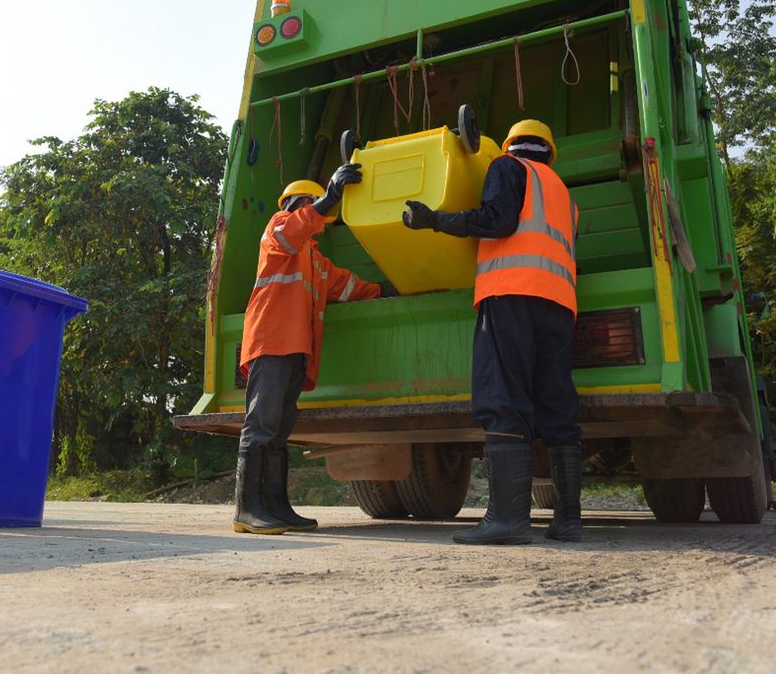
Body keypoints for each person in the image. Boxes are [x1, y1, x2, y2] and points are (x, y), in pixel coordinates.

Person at [402, 119, 583, 545]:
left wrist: (435, 219)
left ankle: (508, 519)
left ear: (512, 146)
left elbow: (497, 221)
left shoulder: (507, 167)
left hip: (510, 294)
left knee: (502, 396)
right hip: (558, 303)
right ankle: (569, 520)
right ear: (548, 149)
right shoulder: (563, 194)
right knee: (556, 404)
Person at [234, 163, 387, 535]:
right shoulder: (277, 229)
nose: (314, 210)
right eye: (308, 203)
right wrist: (327, 198)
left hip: (294, 351)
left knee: (279, 428)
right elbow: (293, 231)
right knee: (262, 425)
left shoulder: (316, 261)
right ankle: (247, 510)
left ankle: (274, 506)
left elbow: (348, 286)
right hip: (272, 342)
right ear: (293, 204)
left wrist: (390, 290)